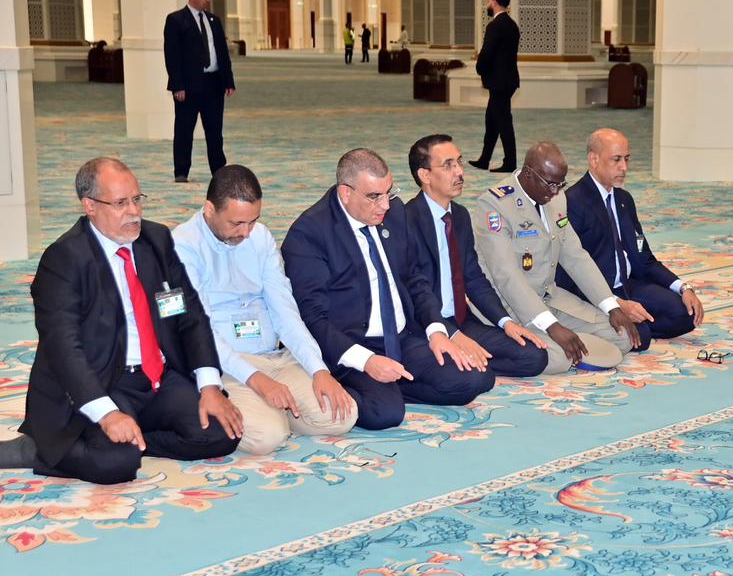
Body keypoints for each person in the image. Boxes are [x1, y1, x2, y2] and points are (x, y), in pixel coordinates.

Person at [0, 158, 243, 484]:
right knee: (116, 464)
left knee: (222, 433)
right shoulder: (64, 259)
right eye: (120, 203)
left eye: (137, 199)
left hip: (157, 377)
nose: (134, 212)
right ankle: (44, 449)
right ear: (90, 206)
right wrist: (108, 414)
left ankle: (132, 437)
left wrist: (209, 385)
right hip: (103, 381)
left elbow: (189, 315)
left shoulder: (155, 240)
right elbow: (63, 349)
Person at [281, 148, 494, 431]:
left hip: (400, 337)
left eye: (388, 192)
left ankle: (392, 385)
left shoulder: (394, 214)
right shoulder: (309, 233)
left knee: (476, 377)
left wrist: (436, 330)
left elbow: (415, 278)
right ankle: (375, 388)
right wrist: (366, 361)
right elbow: (311, 316)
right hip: (351, 344)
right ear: (345, 193)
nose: (385, 205)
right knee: (385, 414)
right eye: (374, 196)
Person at [172, 165, 357, 455]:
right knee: (266, 437)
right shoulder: (182, 246)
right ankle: (266, 410)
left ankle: (277, 409)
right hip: (227, 365)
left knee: (343, 416)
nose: (246, 232)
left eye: (253, 221)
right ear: (209, 209)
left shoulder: (260, 237)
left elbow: (285, 309)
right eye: (236, 223)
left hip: (274, 358)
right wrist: (256, 380)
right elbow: (197, 331)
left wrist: (318, 369)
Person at [472, 142, 642, 374]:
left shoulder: (556, 197)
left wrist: (611, 305)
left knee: (622, 337)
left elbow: (575, 256)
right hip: (510, 306)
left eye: (561, 184)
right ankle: (483, 352)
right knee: (558, 359)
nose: (555, 191)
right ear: (528, 173)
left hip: (549, 297)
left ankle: (565, 341)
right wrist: (551, 325)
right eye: (551, 184)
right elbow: (507, 276)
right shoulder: (495, 205)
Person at [404, 134, 549, 378]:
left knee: (534, 356)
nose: (460, 171)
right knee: (473, 378)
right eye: (448, 165)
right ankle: (465, 363)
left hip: (462, 320)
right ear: (425, 175)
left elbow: (473, 277)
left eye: (459, 162)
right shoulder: (407, 220)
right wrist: (451, 334)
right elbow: (414, 290)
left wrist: (505, 322)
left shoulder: (459, 216)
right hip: (427, 325)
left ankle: (470, 360)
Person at [558, 129, 704, 351]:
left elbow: (644, 257)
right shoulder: (573, 203)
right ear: (594, 159)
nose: (624, 167)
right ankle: (625, 327)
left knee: (686, 314)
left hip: (628, 284)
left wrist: (683, 287)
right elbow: (569, 275)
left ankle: (635, 325)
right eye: (616, 160)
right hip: (596, 293)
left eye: (626, 159)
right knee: (639, 337)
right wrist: (614, 304)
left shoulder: (623, 199)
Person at [164, 0, 236, 182]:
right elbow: (172, 56)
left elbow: (222, 53)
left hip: (214, 83)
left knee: (215, 131)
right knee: (184, 129)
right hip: (188, 86)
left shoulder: (214, 20)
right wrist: (177, 85)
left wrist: (228, 80)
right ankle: (181, 171)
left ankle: (219, 170)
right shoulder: (176, 20)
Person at [468, 0, 520, 174]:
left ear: (495, 2)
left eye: (489, 0)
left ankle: (510, 162)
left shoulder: (495, 26)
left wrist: (480, 68)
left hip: (499, 82)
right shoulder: (512, 25)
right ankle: (484, 159)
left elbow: (487, 52)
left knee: (503, 121)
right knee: (492, 120)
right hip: (508, 80)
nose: (487, 4)